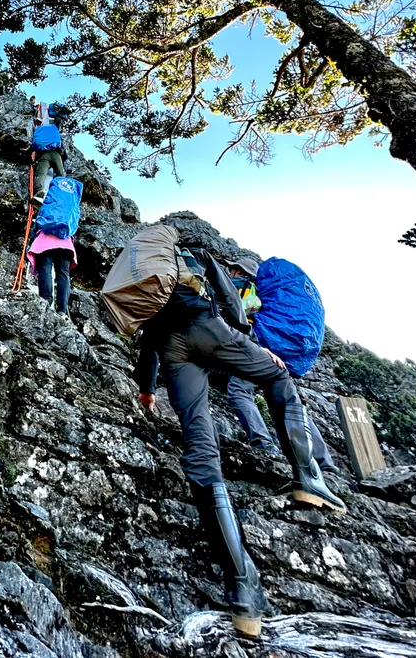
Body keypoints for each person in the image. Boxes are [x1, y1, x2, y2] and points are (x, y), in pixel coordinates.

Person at [132, 239, 345, 638]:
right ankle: (307, 478)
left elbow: (147, 336)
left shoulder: (146, 277)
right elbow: (228, 297)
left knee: (199, 445)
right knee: (278, 375)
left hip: (171, 349)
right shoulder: (190, 254)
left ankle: (243, 587)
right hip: (208, 327)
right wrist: (243, 335)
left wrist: (146, 388)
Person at [225, 257, 338, 472]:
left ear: (240, 272)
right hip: (287, 351)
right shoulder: (278, 296)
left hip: (263, 346)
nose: (229, 273)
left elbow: (240, 313)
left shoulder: (246, 287)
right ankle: (324, 462)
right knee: (290, 404)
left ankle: (264, 445)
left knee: (239, 391)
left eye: (232, 270)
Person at [27, 229, 76, 315]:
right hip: (65, 242)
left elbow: (37, 226)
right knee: (63, 274)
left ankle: (46, 302)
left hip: (44, 241)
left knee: (45, 269)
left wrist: (31, 242)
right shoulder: (73, 214)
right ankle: (62, 309)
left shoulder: (43, 214)